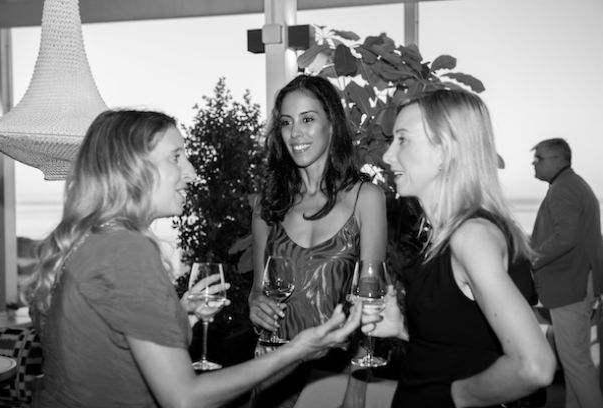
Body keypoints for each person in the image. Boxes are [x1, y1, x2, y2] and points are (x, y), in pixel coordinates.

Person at [24, 109, 363, 408]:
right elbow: (184, 398)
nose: (191, 172)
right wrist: (297, 350)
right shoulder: (126, 251)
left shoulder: (95, 238)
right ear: (130, 168)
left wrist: (183, 313)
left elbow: (111, 353)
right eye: (176, 157)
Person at [362, 88, 556, 408]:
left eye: (403, 140)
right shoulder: (449, 234)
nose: (387, 156)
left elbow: (534, 366)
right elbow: (469, 345)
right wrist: (402, 329)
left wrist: (453, 397)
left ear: (445, 151)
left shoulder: (472, 236)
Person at [248, 74, 387, 407]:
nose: (295, 133)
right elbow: (257, 291)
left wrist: (357, 389)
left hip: (335, 373)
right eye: (286, 122)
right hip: (272, 371)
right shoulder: (268, 203)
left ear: (332, 125)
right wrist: (255, 305)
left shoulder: (366, 198)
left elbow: (371, 303)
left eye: (307, 119)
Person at [530, 138, 603, 408]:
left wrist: (532, 258)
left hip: (570, 286)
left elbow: (565, 237)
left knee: (576, 364)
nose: (534, 164)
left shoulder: (564, 189)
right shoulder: (573, 184)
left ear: (558, 160)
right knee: (575, 364)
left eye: (539, 158)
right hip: (578, 283)